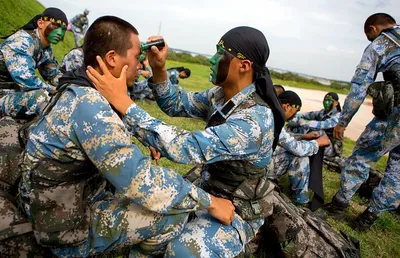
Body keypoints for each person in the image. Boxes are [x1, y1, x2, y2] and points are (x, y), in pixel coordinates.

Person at [18, 16, 234, 257]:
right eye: (136, 57)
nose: (139, 65)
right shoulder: (90, 106)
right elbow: (143, 182)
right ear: (112, 59)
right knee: (171, 215)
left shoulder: (79, 87)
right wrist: (210, 202)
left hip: (56, 201)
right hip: (60, 227)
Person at [88, 26, 286, 257]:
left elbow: (184, 147)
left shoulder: (253, 122)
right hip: (207, 191)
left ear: (244, 65)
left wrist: (124, 103)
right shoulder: (220, 96)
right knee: (144, 218)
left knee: (184, 250)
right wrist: (159, 68)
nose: (212, 60)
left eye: (220, 53)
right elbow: (176, 103)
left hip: (236, 209)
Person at [325, 13, 400, 231]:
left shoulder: (381, 44)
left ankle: (338, 207)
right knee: (397, 172)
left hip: (395, 117)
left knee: (361, 157)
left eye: (369, 36)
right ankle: (368, 219)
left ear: (373, 29)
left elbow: (359, 87)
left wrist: (343, 121)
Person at [0, 7, 66, 118]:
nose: (60, 33)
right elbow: (26, 79)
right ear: (40, 23)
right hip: (3, 91)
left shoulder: (46, 49)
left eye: (63, 30)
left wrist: (69, 85)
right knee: (42, 97)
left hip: (9, 91)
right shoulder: (22, 40)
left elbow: (53, 75)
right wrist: (52, 89)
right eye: (55, 26)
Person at [268, 90, 330, 205]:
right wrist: (318, 143)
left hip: (248, 165)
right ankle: (302, 201)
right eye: (295, 111)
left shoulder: (268, 113)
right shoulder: (274, 120)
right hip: (258, 170)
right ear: (286, 106)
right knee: (300, 157)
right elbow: (298, 150)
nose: (293, 116)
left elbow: (281, 138)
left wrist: (302, 136)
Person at [287, 91, 342, 157]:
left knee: (318, 132)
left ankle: (303, 147)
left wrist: (304, 124)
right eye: (325, 100)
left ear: (336, 103)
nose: (326, 102)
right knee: (297, 124)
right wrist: (294, 117)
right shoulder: (322, 112)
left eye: (329, 101)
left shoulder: (338, 116)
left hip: (330, 147)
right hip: (319, 142)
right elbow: (305, 115)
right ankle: (293, 143)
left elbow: (323, 124)